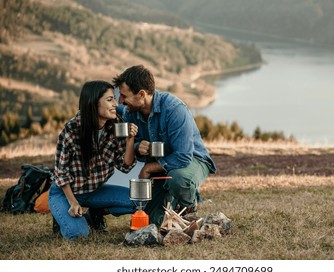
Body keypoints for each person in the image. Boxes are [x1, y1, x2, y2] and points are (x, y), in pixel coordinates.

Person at [113, 65, 217, 226]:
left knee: (179, 179)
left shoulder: (174, 109)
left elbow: (183, 156)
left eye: (124, 96)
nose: (120, 101)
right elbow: (133, 144)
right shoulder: (130, 112)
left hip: (192, 159)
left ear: (141, 94)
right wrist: (138, 146)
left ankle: (188, 208)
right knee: (153, 222)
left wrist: (148, 168)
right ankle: (173, 200)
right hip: (162, 165)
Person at [49, 80, 138, 240]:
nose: (115, 104)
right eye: (110, 99)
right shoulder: (72, 129)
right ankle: (63, 217)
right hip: (66, 193)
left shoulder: (116, 125)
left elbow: (125, 165)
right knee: (78, 235)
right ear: (93, 102)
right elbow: (61, 173)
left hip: (94, 191)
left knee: (138, 201)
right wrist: (73, 202)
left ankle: (94, 213)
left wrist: (130, 139)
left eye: (115, 99)